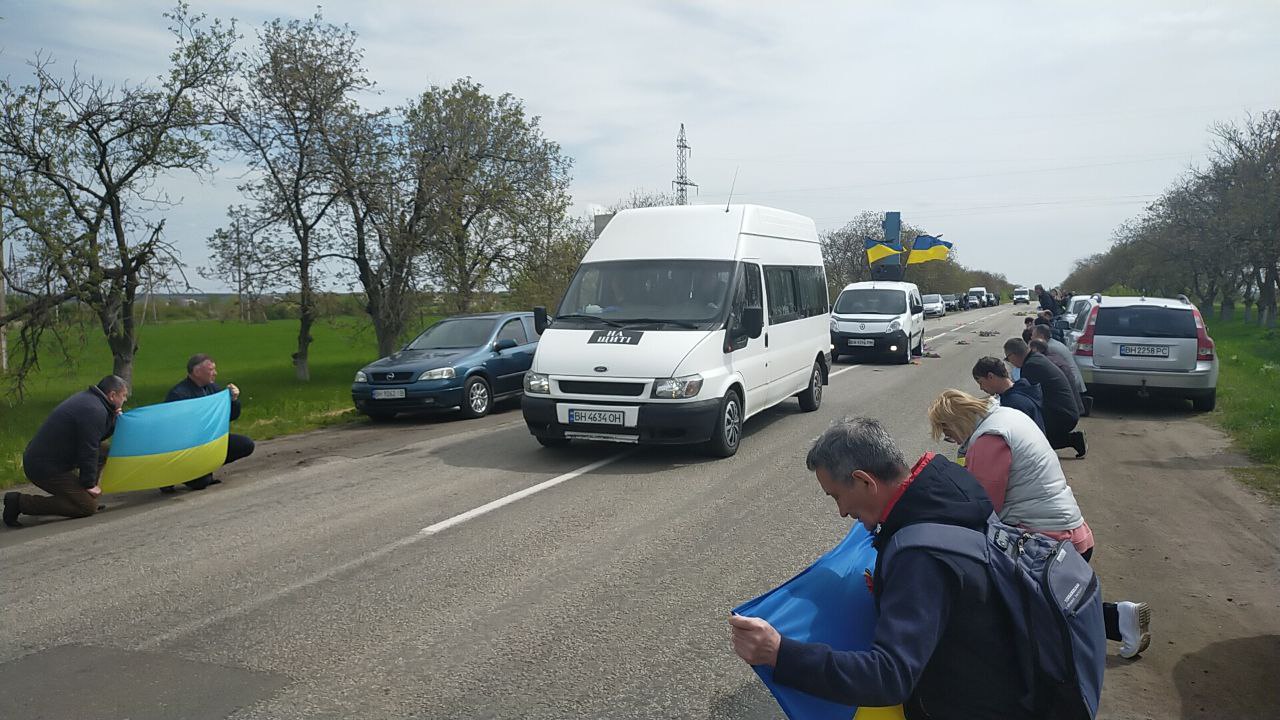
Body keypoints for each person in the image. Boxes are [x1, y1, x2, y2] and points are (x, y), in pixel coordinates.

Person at [729, 418, 1040, 719]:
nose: (841, 512)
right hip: (1009, 682)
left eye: (837, 496)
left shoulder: (919, 556)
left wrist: (780, 653)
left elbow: (890, 677)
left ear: (865, 480)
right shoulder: (950, 490)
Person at [927, 389, 1151, 659]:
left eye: (945, 430)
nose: (949, 438)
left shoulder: (989, 440)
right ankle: (1120, 618)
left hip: (1044, 541)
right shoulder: (1008, 417)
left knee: (1023, 608)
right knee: (1048, 606)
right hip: (1070, 531)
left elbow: (983, 507)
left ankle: (1116, 620)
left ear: (956, 420)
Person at [4, 376, 128, 527]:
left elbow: (97, 435)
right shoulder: (94, 410)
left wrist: (114, 419)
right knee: (86, 507)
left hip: (52, 457)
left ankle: (84, 495)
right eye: (124, 395)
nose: (125, 399)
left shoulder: (93, 401)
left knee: (104, 451)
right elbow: (89, 448)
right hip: (43, 467)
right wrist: (89, 484)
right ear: (112, 395)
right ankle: (20, 503)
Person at [159, 354, 255, 493]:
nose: (215, 373)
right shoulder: (179, 394)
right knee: (201, 483)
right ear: (197, 372)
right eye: (211, 370)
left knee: (246, 445)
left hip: (209, 441)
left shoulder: (212, 388)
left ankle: (206, 468)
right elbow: (171, 429)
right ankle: (173, 475)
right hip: (188, 448)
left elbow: (230, 416)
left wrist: (233, 400)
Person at [1004, 337, 1086, 457]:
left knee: (1033, 441)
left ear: (1013, 355)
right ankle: (1074, 439)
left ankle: (1074, 440)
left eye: (1008, 359)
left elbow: (1027, 399)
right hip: (1065, 410)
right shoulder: (1035, 359)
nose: (1009, 362)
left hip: (1062, 415)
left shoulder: (1031, 366)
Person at [971, 356, 1045, 432]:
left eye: (981, 382)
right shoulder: (1023, 390)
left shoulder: (1012, 404)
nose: (981, 388)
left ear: (990, 376)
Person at [1032, 324, 1090, 416]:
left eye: (1033, 335)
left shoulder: (1049, 348)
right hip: (1073, 379)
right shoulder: (1054, 343)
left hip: (1071, 381)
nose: (1031, 337)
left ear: (1041, 336)